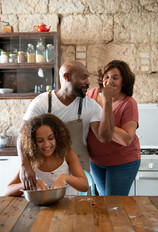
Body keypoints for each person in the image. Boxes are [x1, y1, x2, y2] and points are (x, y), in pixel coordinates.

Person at [17, 61, 115, 190]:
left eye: (88, 78)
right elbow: (23, 135)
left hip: (79, 172)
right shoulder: (42, 102)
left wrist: (107, 102)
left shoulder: (90, 105)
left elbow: (105, 138)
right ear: (67, 77)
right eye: (83, 77)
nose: (88, 82)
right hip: (48, 166)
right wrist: (25, 165)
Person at [86, 60, 141, 196]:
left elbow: (127, 139)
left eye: (115, 78)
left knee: (114, 205)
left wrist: (101, 121)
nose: (109, 81)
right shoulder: (91, 95)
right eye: (106, 76)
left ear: (124, 82)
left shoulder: (128, 103)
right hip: (96, 162)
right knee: (104, 203)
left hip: (122, 162)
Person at [5, 114, 89, 196]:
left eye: (50, 138)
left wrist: (65, 178)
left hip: (69, 204)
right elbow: (8, 190)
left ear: (57, 137)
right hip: (41, 207)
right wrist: (33, 184)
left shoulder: (67, 153)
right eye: (40, 140)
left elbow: (85, 186)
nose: (46, 145)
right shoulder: (31, 159)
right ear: (33, 142)